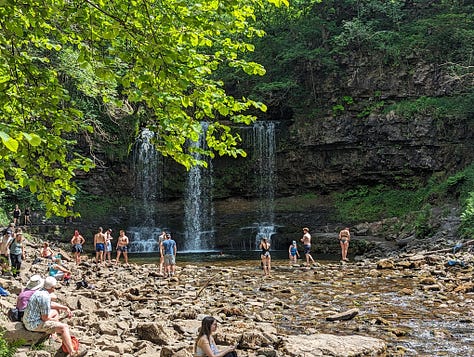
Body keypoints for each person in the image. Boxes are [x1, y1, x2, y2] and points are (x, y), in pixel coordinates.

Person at [22, 276, 86, 357]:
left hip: (29, 319)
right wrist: (54, 321)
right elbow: (44, 318)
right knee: (64, 327)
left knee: (55, 311)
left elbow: (49, 304)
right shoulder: (45, 297)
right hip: (33, 324)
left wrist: (65, 308)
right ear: (52, 287)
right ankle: (72, 353)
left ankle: (54, 333)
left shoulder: (40, 291)